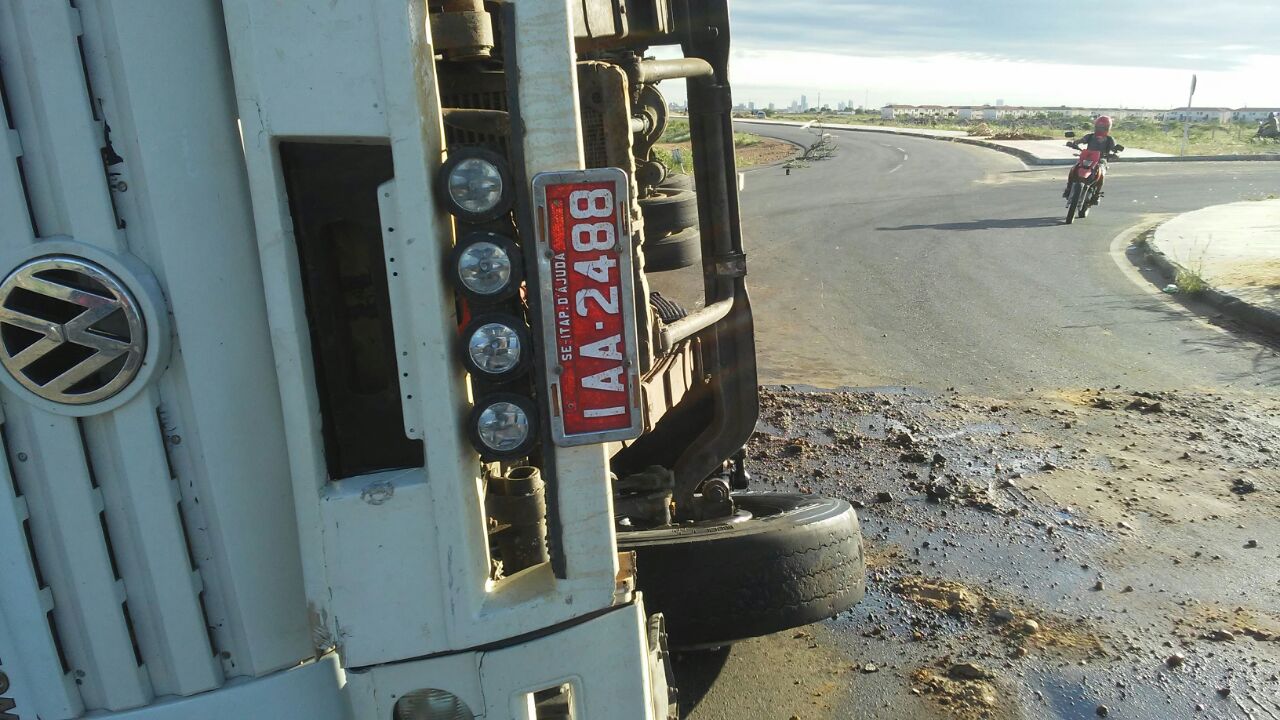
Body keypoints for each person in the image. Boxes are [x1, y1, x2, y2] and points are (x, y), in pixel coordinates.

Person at [1063, 115, 1118, 198]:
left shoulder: (1110, 139)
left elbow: (1114, 148)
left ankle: (1097, 194)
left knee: (1102, 173)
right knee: (1074, 169)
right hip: (1088, 158)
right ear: (1095, 126)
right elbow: (1081, 140)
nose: (1100, 129)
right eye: (1099, 127)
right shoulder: (1090, 136)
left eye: (1103, 127)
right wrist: (1074, 143)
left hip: (1101, 160)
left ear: (1108, 128)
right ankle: (1068, 188)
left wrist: (1114, 154)